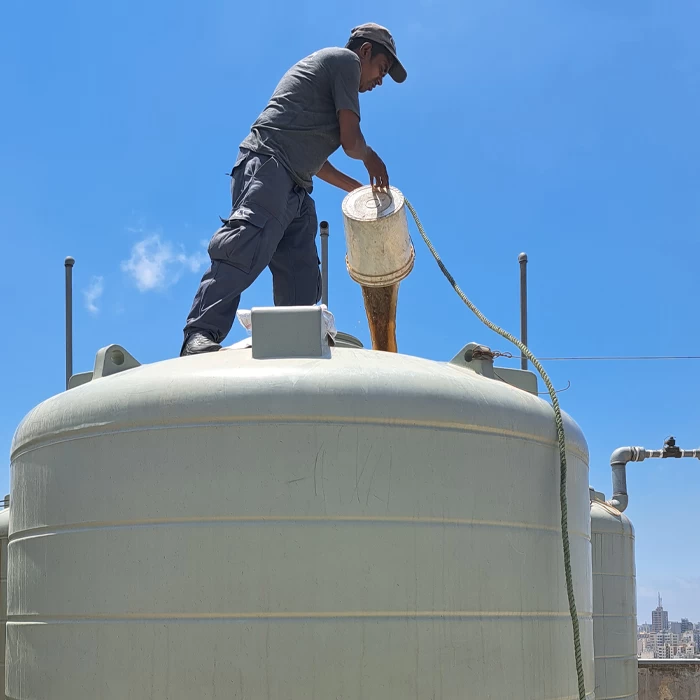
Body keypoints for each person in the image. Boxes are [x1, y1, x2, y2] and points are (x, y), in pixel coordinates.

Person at [180, 23, 407, 356]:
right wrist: (372, 160)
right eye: (381, 69)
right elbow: (352, 142)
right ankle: (200, 334)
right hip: (268, 165)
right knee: (245, 245)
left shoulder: (333, 87)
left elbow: (316, 162)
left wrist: (356, 190)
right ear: (366, 51)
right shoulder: (345, 61)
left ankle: (294, 344)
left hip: (296, 183)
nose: (379, 80)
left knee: (301, 273)